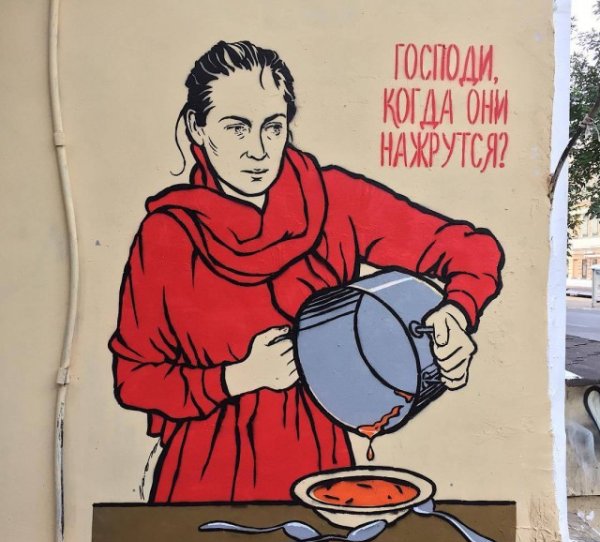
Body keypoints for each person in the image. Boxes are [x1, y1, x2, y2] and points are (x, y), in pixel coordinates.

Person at [109, 41, 504, 503]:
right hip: (203, 475)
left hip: (319, 475)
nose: (259, 151)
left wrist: (457, 313)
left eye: (272, 127)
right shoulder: (169, 234)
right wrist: (236, 378)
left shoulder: (332, 199)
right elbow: (134, 378)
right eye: (236, 128)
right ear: (198, 127)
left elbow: (470, 250)